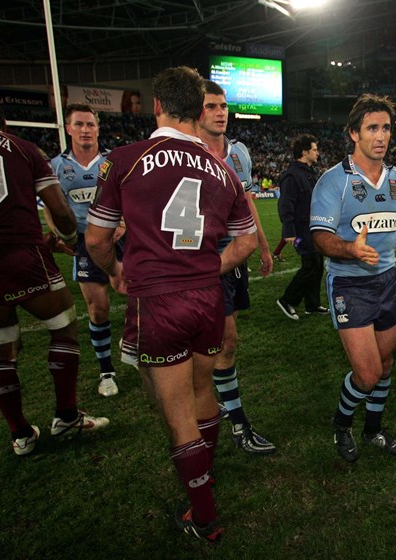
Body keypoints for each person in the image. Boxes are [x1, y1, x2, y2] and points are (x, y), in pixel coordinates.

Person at [85, 66, 257, 542]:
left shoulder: (125, 158)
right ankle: (207, 471)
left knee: (174, 408)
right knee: (204, 390)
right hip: (207, 297)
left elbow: (97, 238)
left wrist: (116, 271)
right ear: (199, 109)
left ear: (157, 105)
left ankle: (204, 517)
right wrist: (207, 270)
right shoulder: (224, 169)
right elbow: (244, 244)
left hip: (157, 298)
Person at [0, 94, 109, 456]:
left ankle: (21, 434)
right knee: (64, 325)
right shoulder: (22, 149)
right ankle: (67, 417)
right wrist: (67, 239)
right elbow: (60, 209)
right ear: (4, 123)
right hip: (16, 249)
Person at [310, 93, 396, 463]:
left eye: (386, 128)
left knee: (387, 364)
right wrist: (351, 249)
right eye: (372, 128)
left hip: (387, 281)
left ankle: (373, 429)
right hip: (348, 283)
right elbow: (320, 237)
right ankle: (342, 423)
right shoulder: (335, 182)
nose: (381, 136)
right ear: (354, 134)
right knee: (367, 373)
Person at [197, 80, 275, 455]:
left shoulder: (239, 153)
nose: (221, 112)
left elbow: (246, 202)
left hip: (235, 257)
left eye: (223, 105)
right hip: (205, 260)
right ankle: (237, 422)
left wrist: (261, 245)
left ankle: (220, 400)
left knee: (225, 343)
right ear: (197, 111)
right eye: (212, 106)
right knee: (225, 344)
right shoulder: (186, 151)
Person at [48, 104, 123, 397]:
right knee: (99, 308)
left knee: (137, 296)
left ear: (98, 129)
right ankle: (107, 371)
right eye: (79, 124)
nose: (85, 130)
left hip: (117, 238)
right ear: (69, 129)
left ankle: (130, 339)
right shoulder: (56, 166)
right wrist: (58, 234)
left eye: (90, 125)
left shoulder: (111, 162)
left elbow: (127, 198)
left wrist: (125, 223)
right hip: (82, 241)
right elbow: (51, 206)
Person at [276, 134, 328, 319]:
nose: (317, 153)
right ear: (305, 152)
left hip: (313, 227)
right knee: (311, 264)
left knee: (317, 264)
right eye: (315, 149)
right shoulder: (292, 175)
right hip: (300, 231)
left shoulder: (308, 173)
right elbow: (285, 205)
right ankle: (288, 300)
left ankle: (312, 305)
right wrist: (289, 231)